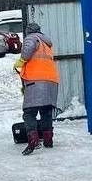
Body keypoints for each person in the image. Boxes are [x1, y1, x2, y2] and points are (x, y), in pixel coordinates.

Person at [13, 22, 60, 155]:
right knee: (45, 111)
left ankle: (33, 140)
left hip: (36, 80)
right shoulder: (46, 42)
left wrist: (21, 61)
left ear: (29, 31)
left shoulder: (32, 38)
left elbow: (28, 50)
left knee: (29, 112)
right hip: (51, 80)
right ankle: (48, 140)